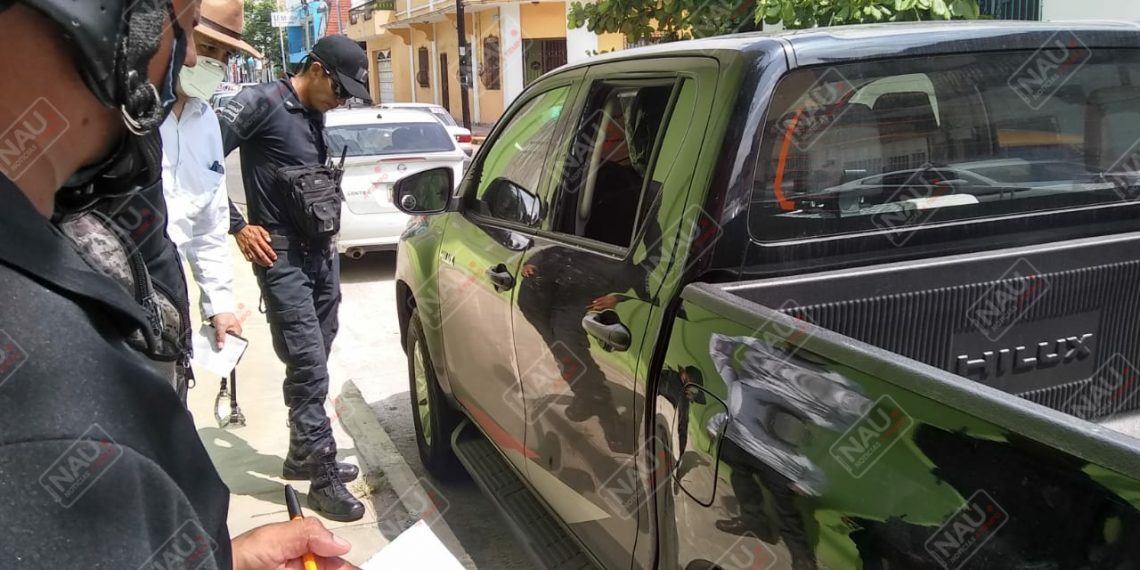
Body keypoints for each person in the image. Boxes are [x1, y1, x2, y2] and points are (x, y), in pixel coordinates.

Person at [0, 1, 353, 567]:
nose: (192, 57)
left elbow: (205, 218)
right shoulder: (45, 364)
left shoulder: (203, 122)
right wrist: (248, 226)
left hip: (171, 325)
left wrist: (219, 304)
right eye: (189, 34)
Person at [221, 34, 372, 522]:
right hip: (281, 257)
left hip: (321, 255)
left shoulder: (315, 115)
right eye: (340, 87)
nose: (343, 99)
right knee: (308, 362)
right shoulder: (259, 103)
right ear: (315, 68)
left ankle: (301, 452)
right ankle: (321, 474)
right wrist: (238, 224)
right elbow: (195, 171)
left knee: (319, 351)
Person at [161, 0, 253, 356]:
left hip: (172, 302)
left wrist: (220, 306)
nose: (213, 61)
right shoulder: (129, 118)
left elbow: (208, 229)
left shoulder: (208, 123)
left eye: (225, 53)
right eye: (207, 45)